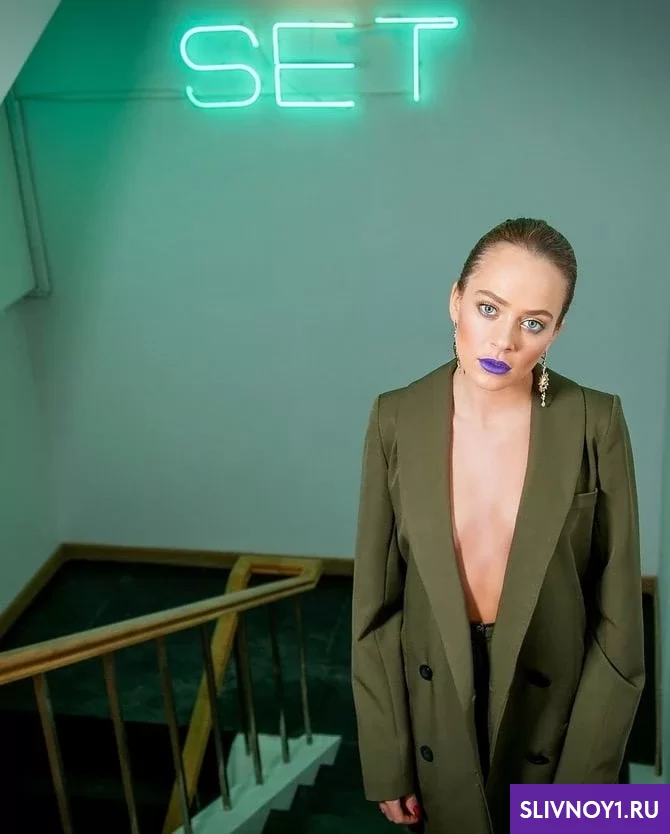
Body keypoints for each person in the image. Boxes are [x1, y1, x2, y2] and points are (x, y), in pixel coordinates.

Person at [350, 218, 645, 833]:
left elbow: (619, 622)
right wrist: (387, 759)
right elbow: (375, 607)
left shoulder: (595, 420)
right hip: (438, 697)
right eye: (489, 308)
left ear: (556, 332)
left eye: (533, 323)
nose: (504, 340)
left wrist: (584, 796)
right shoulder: (394, 417)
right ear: (455, 300)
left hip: (555, 711)